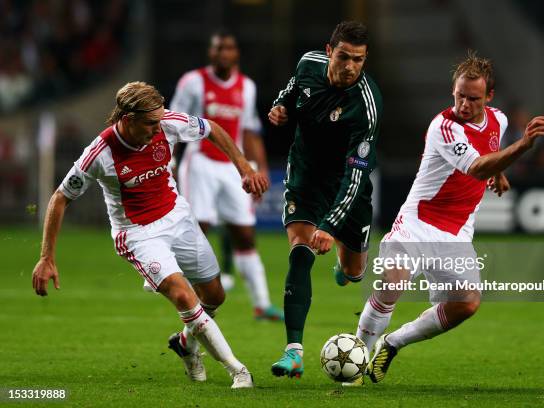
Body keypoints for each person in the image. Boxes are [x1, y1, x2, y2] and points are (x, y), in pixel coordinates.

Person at [31, 81, 269, 388]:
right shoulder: (99, 153)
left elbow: (211, 128)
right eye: (151, 123)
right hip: (138, 234)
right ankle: (237, 370)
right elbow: (60, 198)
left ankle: (185, 344)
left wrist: (244, 168)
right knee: (183, 295)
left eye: (160, 120)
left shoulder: (167, 124)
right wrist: (46, 257)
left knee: (215, 295)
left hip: (178, 218)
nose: (159, 128)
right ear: (128, 119)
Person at [354, 53, 544, 385]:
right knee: (393, 283)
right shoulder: (443, 126)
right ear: (453, 90)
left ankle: (392, 343)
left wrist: (499, 170)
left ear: (489, 97)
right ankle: (356, 358)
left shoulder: (498, 120)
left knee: (467, 304)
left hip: (456, 234)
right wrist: (523, 146)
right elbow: (476, 167)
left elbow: (488, 155)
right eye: (459, 95)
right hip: (418, 223)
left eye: (473, 98)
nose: (464, 104)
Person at [267, 21, 383, 378]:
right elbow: (290, 91)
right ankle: (294, 351)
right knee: (300, 252)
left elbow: (355, 176)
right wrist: (280, 107)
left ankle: (342, 266)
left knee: (354, 272)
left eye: (359, 60)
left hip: (347, 186)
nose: (350, 66)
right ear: (330, 51)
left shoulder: (365, 106)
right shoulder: (308, 64)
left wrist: (331, 225)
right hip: (304, 175)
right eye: (344, 56)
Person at [170, 30, 283, 321]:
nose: (223, 53)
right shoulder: (193, 82)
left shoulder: (246, 87)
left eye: (228, 48)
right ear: (211, 53)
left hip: (233, 166)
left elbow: (250, 130)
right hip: (200, 162)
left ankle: (262, 304)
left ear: (236, 54)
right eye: (218, 48)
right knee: (199, 228)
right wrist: (168, 159)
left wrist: (260, 168)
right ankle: (192, 299)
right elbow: (171, 123)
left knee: (244, 233)